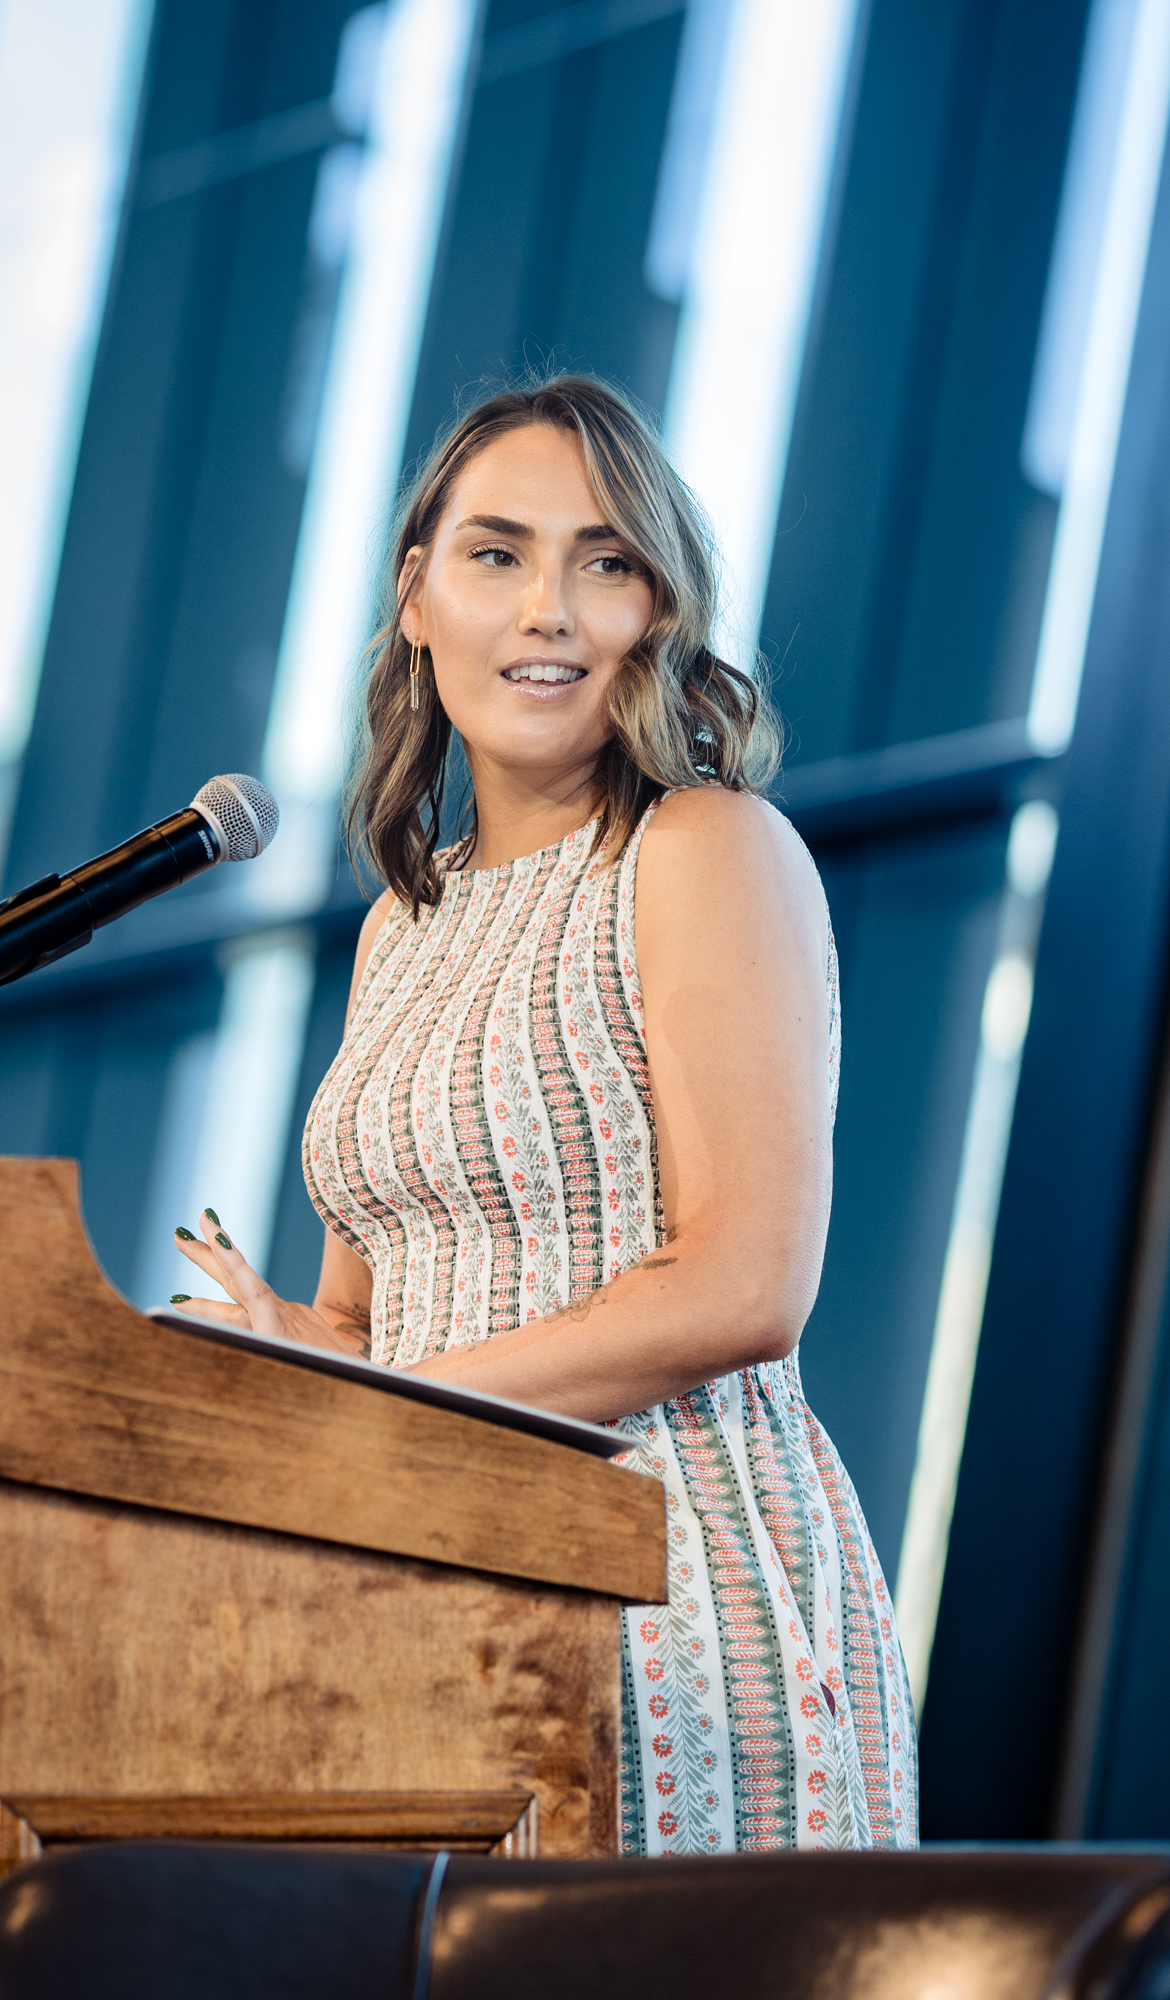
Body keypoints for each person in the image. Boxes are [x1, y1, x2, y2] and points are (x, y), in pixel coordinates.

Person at [170, 374, 918, 1854]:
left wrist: (390, 1406)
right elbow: (372, 1324)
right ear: (416, 597)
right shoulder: (406, 923)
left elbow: (745, 1284)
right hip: (414, 1599)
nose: (551, 610)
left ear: (658, 609)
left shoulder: (705, 847)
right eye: (498, 554)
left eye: (607, 562)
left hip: (663, 1596)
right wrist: (274, 1361)